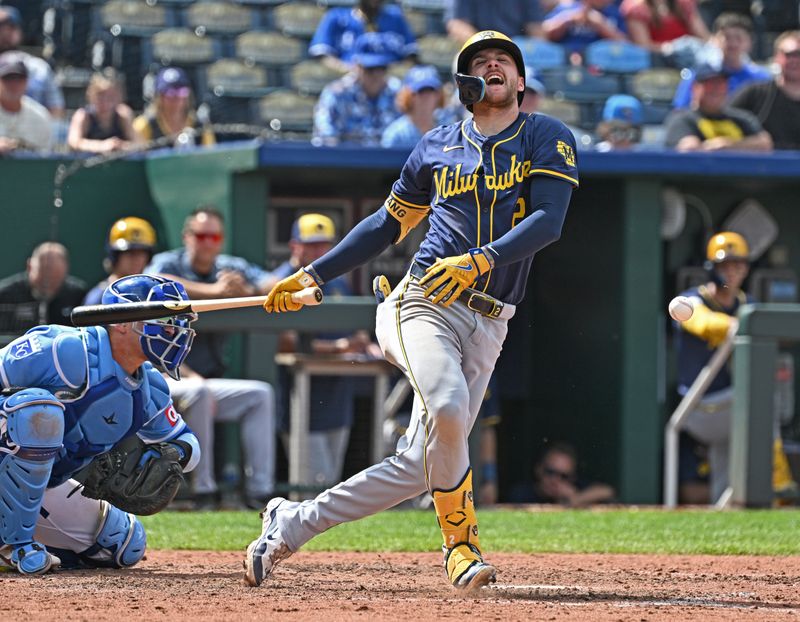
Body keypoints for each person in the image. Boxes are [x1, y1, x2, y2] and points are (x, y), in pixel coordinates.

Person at [244, 30, 578, 591]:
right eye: (480, 62)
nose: (493, 66)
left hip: (492, 316)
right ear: (466, 83)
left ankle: (289, 524)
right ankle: (461, 547)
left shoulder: (546, 136)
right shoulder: (436, 144)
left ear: (520, 81)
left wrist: (481, 260)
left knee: (420, 463)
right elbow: (386, 224)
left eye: (504, 61)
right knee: (448, 408)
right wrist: (313, 273)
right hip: (422, 299)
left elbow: (549, 220)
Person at [0, 274, 201, 575]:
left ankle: (28, 536)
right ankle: (14, 545)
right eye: (162, 320)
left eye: (173, 322)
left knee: (123, 543)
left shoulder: (148, 387)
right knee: (37, 412)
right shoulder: (61, 349)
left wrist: (172, 454)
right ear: (121, 323)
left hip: (39, 487)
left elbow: (189, 444)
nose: (172, 331)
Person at [146, 206, 276, 509]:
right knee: (200, 392)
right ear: (187, 237)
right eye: (201, 235)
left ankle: (261, 492)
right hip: (159, 380)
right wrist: (214, 291)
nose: (207, 242)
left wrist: (248, 289)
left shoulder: (230, 266)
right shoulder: (170, 262)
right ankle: (204, 490)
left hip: (204, 379)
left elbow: (273, 282)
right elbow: (152, 279)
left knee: (261, 394)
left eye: (214, 236)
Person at [270, 214, 382, 487]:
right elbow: (284, 342)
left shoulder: (338, 282)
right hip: (301, 399)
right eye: (312, 245)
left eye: (325, 246)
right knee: (312, 484)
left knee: (330, 480)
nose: (320, 252)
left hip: (337, 397)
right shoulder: (282, 281)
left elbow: (356, 330)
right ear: (295, 246)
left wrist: (367, 344)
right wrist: (339, 347)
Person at [313, 32, 403, 146]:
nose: (377, 74)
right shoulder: (336, 94)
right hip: (347, 162)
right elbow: (325, 138)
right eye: (370, 69)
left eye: (382, 68)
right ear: (356, 66)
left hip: (393, 162)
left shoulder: (399, 93)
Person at [664, 62, 773, 152]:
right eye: (710, 84)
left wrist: (726, 144)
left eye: (721, 84)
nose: (716, 90)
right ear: (695, 88)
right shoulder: (682, 118)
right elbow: (689, 148)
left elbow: (764, 143)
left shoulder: (741, 118)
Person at [672, 13, 771, 109]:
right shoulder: (698, 76)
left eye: (738, 38)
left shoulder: (762, 79)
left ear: (749, 42)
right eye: (727, 37)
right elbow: (681, 109)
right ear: (715, 40)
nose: (733, 43)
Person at [731, 30, 800, 150]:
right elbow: (723, 120)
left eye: (799, 54)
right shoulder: (755, 93)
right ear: (776, 57)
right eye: (789, 54)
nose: (795, 60)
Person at [309, 0, 417, 73]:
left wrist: (384, 74)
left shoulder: (396, 17)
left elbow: (411, 56)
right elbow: (322, 55)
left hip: (390, 83)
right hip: (349, 80)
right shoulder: (336, 17)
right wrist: (350, 71)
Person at [0, 242, 87, 332]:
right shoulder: (4, 295)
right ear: (29, 267)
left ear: (65, 272)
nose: (48, 282)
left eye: (55, 277)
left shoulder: (78, 295)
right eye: (43, 275)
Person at [0, 5, 64, 118]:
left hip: (31, 131)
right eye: (0, 28)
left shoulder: (38, 67)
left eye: (10, 27)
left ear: (20, 31)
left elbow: (56, 110)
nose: (5, 33)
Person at [507, 442, 616, 506]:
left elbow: (607, 491)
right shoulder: (522, 493)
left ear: (572, 478)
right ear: (538, 469)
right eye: (550, 472)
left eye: (564, 476)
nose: (555, 480)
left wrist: (574, 499)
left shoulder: (573, 489)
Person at [133, 67, 215, 148]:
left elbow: (210, 157)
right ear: (159, 97)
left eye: (181, 91)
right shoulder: (144, 125)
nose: (177, 97)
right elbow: (137, 156)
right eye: (170, 92)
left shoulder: (200, 126)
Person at [67, 69, 141, 154]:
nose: (105, 102)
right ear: (90, 95)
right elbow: (74, 143)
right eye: (100, 96)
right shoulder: (83, 116)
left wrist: (120, 146)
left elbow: (139, 144)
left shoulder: (123, 115)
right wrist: (103, 146)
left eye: (111, 97)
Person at [620, 0, 709, 63]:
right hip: (657, 62)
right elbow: (643, 46)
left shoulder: (683, 4)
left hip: (690, 59)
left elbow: (703, 36)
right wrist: (671, 48)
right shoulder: (637, 8)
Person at [381, 65, 449, 148]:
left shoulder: (447, 132)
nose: (426, 97)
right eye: (420, 91)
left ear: (439, 95)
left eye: (431, 90)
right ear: (407, 96)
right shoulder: (396, 135)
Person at [0, 51, 52, 153]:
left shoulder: (41, 116)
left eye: (19, 79)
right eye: (8, 79)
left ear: (27, 82)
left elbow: (45, 158)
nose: (13, 84)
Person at [542, 0, 627, 55]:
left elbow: (625, 45)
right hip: (565, 63)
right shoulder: (567, 7)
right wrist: (569, 19)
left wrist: (600, 24)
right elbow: (543, 33)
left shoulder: (613, 13)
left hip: (600, 67)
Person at [445, 0, 545, 44]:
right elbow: (458, 25)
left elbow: (536, 30)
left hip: (516, 50)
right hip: (478, 48)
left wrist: (512, 50)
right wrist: (488, 46)